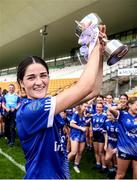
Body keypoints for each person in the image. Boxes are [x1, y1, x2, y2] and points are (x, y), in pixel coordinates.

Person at [16, 25, 106, 179]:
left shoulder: (49, 105)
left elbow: (94, 90)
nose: (39, 82)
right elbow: (85, 86)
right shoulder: (30, 111)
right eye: (31, 77)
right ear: (21, 83)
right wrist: (95, 44)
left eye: (43, 75)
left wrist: (101, 52)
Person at [109, 97, 137, 179]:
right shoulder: (122, 114)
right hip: (124, 150)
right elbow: (110, 109)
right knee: (120, 175)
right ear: (130, 105)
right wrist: (119, 106)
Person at [68, 103, 87, 173]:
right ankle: (62, 165)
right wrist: (81, 128)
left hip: (82, 135)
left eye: (86, 107)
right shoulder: (76, 113)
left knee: (80, 152)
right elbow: (71, 124)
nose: (86, 108)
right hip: (75, 134)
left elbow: (82, 123)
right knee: (74, 152)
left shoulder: (83, 114)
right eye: (85, 106)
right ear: (81, 105)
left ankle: (76, 165)